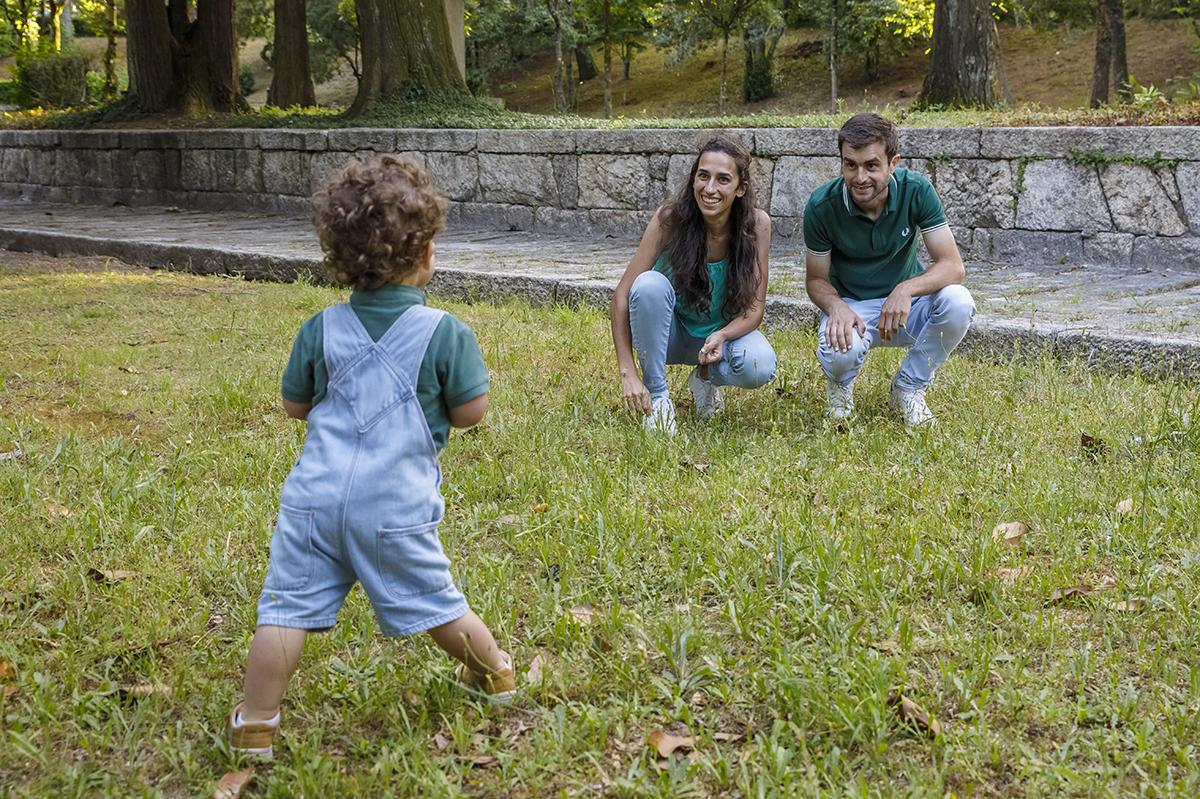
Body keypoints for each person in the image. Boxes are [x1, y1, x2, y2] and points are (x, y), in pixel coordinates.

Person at [227, 155, 515, 761]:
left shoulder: (320, 327)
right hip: (395, 506)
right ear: (428, 252)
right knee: (437, 604)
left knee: (285, 610)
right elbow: (472, 413)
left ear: (340, 257)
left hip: (314, 500)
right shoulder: (446, 332)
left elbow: (294, 406)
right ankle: (494, 672)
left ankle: (255, 725)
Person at [804, 113, 976, 427]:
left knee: (958, 301)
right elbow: (816, 280)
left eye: (871, 165)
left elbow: (953, 266)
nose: (859, 178)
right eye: (850, 165)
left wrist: (906, 288)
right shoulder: (821, 206)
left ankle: (909, 388)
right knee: (840, 355)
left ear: (892, 162)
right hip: (852, 308)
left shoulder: (916, 190)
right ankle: (840, 386)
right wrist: (835, 306)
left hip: (905, 306)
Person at [610, 135, 777, 434]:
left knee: (759, 365)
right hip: (668, 339)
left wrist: (723, 336)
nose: (709, 188)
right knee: (648, 284)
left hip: (717, 343)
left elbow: (755, 309)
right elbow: (622, 295)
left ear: (741, 189)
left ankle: (705, 378)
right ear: (693, 179)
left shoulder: (757, 225)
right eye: (703, 176)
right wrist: (628, 373)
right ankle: (658, 397)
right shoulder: (670, 220)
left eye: (723, 179)